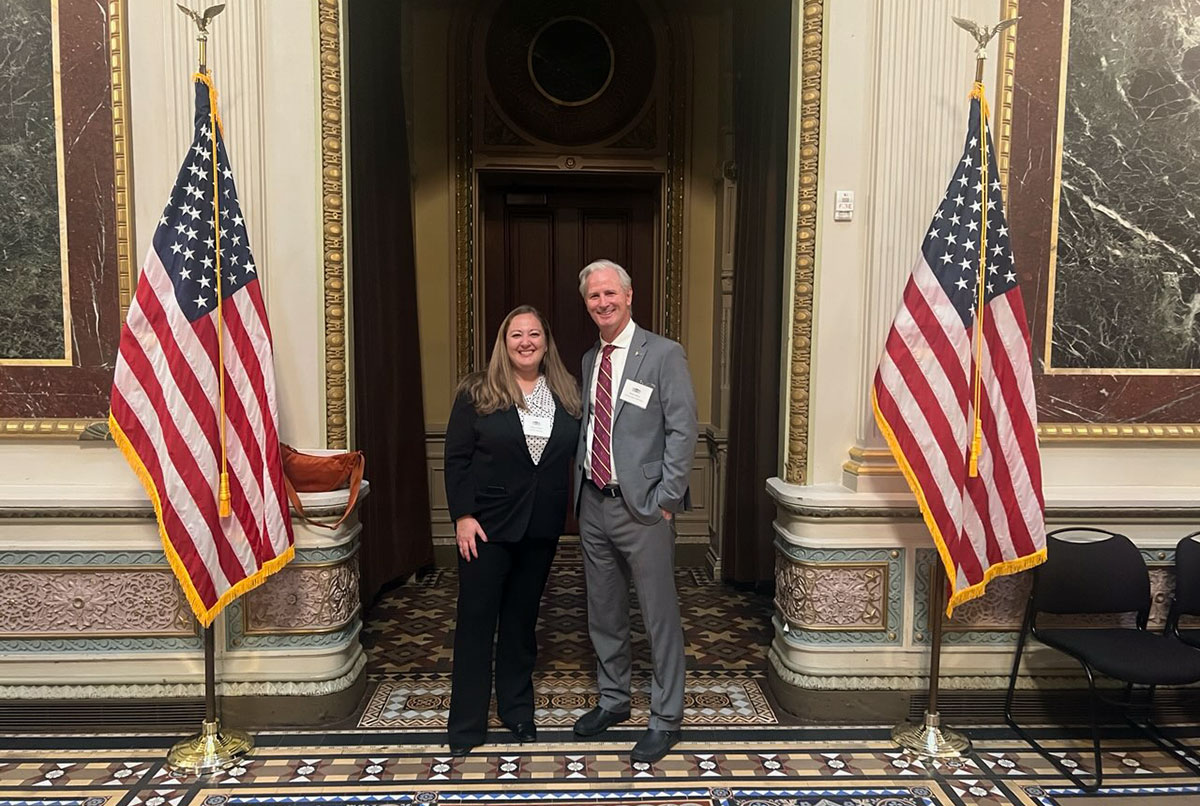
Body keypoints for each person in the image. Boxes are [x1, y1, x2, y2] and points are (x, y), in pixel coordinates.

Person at [571, 259, 698, 764]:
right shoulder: (589, 360)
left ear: (629, 296)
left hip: (644, 509)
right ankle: (614, 700)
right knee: (603, 611)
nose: (602, 303)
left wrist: (667, 500)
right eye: (593, 297)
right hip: (594, 505)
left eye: (609, 294)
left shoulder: (663, 354)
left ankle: (666, 719)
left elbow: (683, 430)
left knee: (658, 616)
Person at [443, 305, 582, 756]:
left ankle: (516, 711)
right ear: (504, 343)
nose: (526, 342)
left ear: (546, 342)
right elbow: (456, 460)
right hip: (485, 528)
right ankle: (466, 725)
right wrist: (463, 516)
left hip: (540, 529)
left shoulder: (566, 393)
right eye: (516, 335)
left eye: (534, 334)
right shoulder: (477, 393)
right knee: (476, 624)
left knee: (522, 624)